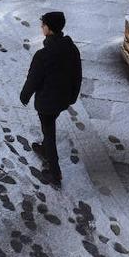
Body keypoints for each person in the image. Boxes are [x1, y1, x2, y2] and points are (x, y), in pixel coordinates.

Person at [19, 11, 82, 184]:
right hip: (63, 99)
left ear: (49, 28)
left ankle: (55, 173)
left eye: (43, 25)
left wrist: (24, 96)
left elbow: (33, 79)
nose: (41, 27)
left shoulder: (43, 55)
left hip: (47, 102)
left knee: (49, 132)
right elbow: (78, 74)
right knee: (49, 127)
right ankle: (46, 149)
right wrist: (72, 96)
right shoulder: (71, 49)